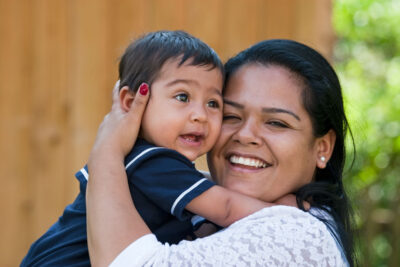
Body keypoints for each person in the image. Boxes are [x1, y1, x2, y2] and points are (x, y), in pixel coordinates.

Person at [21, 31, 288, 267]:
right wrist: (290, 208)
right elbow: (227, 208)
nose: (200, 115)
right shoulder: (150, 161)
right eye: (182, 97)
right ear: (131, 100)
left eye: (214, 103)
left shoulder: (150, 164)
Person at [86, 39, 356, 266]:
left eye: (276, 122)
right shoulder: (189, 196)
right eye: (230, 115)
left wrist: (107, 149)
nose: (246, 135)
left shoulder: (296, 234)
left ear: (323, 147)